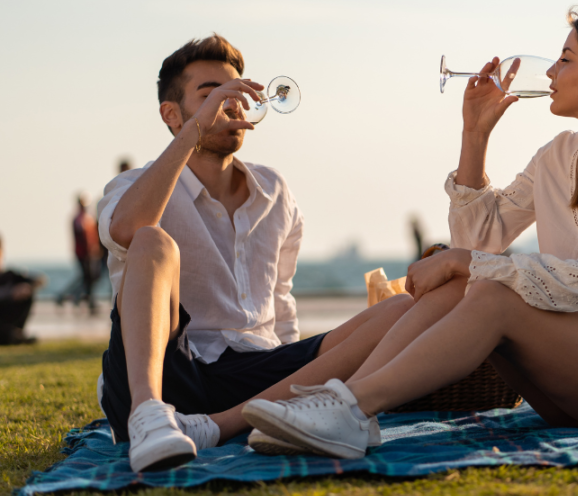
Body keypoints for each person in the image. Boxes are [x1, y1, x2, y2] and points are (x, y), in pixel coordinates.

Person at [240, 6, 578, 459]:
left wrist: (461, 261)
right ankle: (346, 407)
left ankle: (350, 406)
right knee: (467, 284)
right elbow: (480, 242)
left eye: (565, 60)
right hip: (570, 370)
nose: (549, 73)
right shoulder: (559, 156)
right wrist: (475, 135)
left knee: (488, 292)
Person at [97, 34, 413, 472]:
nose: (230, 105)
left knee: (403, 308)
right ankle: (148, 416)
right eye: (211, 96)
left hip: (256, 377)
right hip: (167, 374)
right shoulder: (136, 186)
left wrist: (296, 372)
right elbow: (128, 230)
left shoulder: (274, 189)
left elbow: (281, 300)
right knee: (151, 240)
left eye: (236, 93)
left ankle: (244, 422)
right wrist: (194, 134)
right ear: (172, 115)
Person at [57, 193, 101, 314]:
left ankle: (83, 298)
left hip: (90, 253)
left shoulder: (87, 218)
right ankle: (83, 299)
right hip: (83, 253)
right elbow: (83, 238)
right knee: (87, 277)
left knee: (89, 278)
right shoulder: (79, 219)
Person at [0, 234, 42, 345]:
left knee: (27, 291)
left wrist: (26, 288)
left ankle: (16, 333)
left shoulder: (10, 276)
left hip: (9, 321)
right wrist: (9, 294)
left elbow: (40, 280)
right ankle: (15, 336)